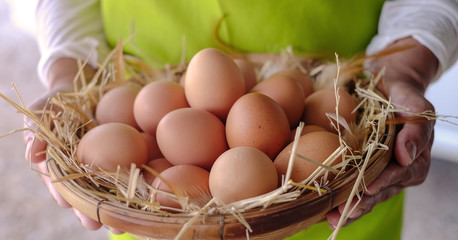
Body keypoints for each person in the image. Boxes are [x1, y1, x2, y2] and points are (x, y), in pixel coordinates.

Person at [25, 0, 458, 239]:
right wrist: (68, 73)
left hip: (336, 191)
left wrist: (402, 70)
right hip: (155, 203)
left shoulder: (301, 122)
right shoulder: (155, 149)